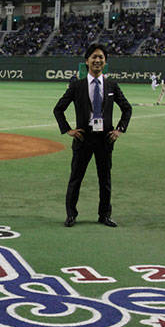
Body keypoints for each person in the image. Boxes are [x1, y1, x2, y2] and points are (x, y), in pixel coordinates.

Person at [53, 43, 131, 228]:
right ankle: (71, 215)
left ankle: (104, 215)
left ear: (105, 62)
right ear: (87, 61)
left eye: (101, 57)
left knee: (105, 180)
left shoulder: (111, 85)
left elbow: (127, 108)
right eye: (94, 57)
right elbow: (58, 109)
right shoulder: (77, 85)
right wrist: (68, 129)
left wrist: (119, 129)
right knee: (76, 178)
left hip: (105, 139)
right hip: (83, 138)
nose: (97, 60)